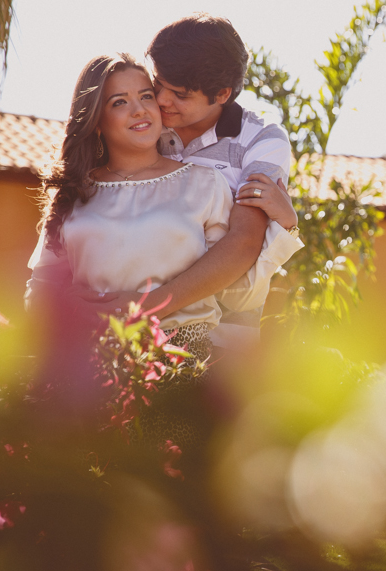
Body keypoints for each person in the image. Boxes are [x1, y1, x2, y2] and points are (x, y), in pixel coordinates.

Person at [26, 53, 280, 444]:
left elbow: (234, 283)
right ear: (95, 120)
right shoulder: (73, 194)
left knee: (169, 489)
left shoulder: (205, 184)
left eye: (146, 95)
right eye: (119, 101)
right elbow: (41, 288)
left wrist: (144, 307)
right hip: (88, 371)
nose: (140, 110)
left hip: (181, 364)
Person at [79, 13, 303, 350]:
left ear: (222, 93)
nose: (163, 100)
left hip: (220, 332)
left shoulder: (262, 141)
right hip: (121, 328)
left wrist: (146, 307)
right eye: (158, 84)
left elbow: (242, 243)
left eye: (180, 94)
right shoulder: (146, 122)